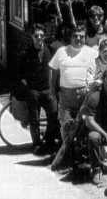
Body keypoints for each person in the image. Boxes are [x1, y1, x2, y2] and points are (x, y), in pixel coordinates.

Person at [49, 24, 96, 149]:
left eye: (81, 36)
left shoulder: (92, 52)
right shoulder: (61, 52)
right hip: (66, 96)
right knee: (65, 124)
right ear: (70, 38)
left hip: (86, 95)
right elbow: (52, 71)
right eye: (75, 36)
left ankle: (81, 153)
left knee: (85, 124)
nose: (78, 39)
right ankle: (67, 153)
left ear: (85, 38)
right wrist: (52, 89)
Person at [20, 24, 58, 155]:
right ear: (32, 36)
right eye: (36, 35)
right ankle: (36, 144)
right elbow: (21, 74)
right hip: (34, 91)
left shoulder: (51, 50)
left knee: (53, 116)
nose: (39, 38)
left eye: (41, 35)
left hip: (48, 90)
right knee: (34, 119)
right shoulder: (26, 53)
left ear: (44, 36)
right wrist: (30, 87)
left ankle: (49, 142)